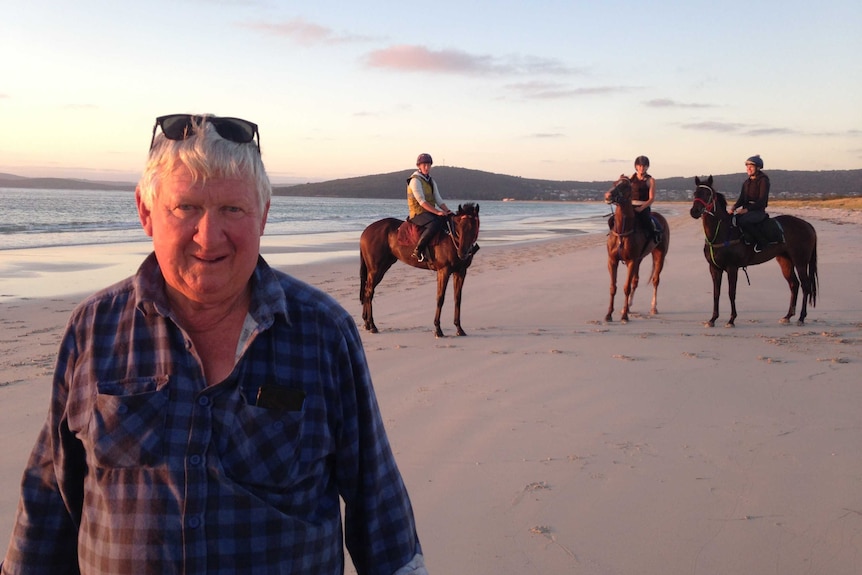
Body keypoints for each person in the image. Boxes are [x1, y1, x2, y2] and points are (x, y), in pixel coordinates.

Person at [1, 114, 428, 575]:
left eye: (233, 210)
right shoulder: (92, 329)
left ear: (262, 216)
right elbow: (48, 502)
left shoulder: (324, 334)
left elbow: (377, 505)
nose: (209, 237)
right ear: (146, 212)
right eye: (185, 208)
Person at [407, 153, 451, 262]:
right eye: (424, 165)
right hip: (417, 213)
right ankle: (418, 250)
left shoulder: (431, 181)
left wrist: (448, 211)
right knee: (435, 223)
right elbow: (421, 201)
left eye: (428, 165)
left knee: (448, 220)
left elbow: (438, 199)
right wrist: (437, 212)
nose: (427, 167)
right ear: (419, 166)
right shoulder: (415, 180)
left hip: (429, 212)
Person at [607, 155, 661, 243]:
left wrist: (641, 208)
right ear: (636, 166)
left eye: (644, 166)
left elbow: (651, 199)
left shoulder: (650, 180)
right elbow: (618, 187)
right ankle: (613, 236)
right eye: (640, 165)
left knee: (647, 222)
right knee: (612, 220)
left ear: (647, 167)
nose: (642, 168)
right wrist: (610, 193)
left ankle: (653, 238)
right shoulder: (629, 178)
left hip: (643, 206)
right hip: (629, 205)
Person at [729, 154, 770, 252]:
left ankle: (762, 241)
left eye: (751, 167)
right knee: (732, 219)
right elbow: (742, 199)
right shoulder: (746, 183)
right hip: (746, 210)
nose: (748, 169)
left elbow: (762, 201)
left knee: (743, 221)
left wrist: (746, 210)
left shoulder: (764, 180)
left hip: (758, 211)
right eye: (747, 167)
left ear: (758, 168)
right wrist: (733, 208)